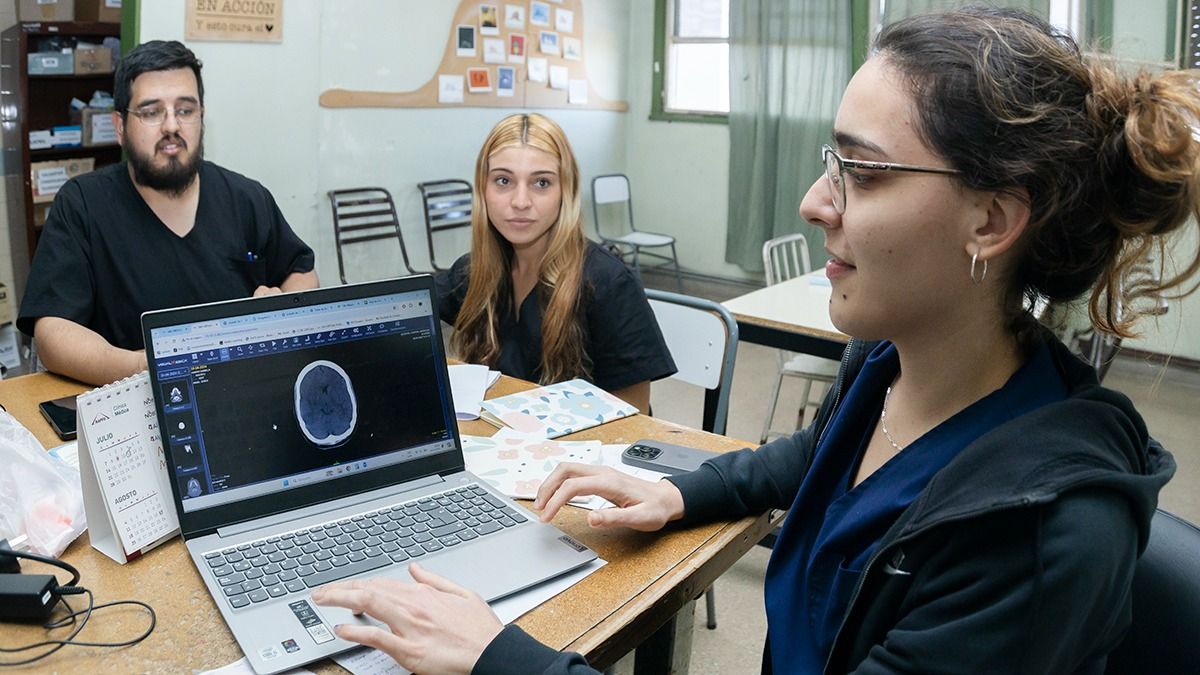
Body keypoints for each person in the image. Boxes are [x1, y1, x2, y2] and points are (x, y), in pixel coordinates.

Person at [312, 7, 1200, 674]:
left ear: (992, 220)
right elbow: (809, 457)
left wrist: (497, 656)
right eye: (829, 161)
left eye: (861, 171)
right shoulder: (890, 369)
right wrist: (673, 492)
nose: (817, 202)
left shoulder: (1032, 544)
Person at [17, 40, 317, 386]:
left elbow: (303, 271)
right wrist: (143, 367)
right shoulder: (83, 204)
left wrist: (284, 306)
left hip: (240, 390)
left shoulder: (247, 198)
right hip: (130, 399)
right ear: (119, 126)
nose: (172, 126)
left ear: (201, 116)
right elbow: (53, 332)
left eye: (185, 110)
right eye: (151, 112)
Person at [434, 113, 676, 412]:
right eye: (503, 180)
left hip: (582, 452)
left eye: (542, 183)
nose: (520, 201)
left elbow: (633, 412)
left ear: (566, 191)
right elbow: (407, 311)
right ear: (483, 190)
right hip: (500, 442)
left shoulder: (607, 282)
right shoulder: (473, 272)